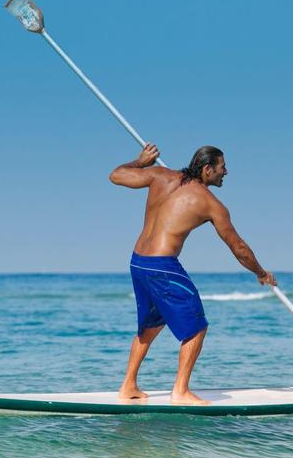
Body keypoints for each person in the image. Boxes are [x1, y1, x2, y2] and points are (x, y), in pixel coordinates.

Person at [110, 143, 277, 405]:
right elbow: (238, 247)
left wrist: (140, 162)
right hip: (162, 266)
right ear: (208, 169)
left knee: (151, 325)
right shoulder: (210, 203)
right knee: (197, 326)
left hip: (138, 262)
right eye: (222, 167)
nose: (226, 172)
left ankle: (128, 386)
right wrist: (261, 272)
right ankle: (180, 391)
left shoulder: (159, 175)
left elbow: (117, 175)